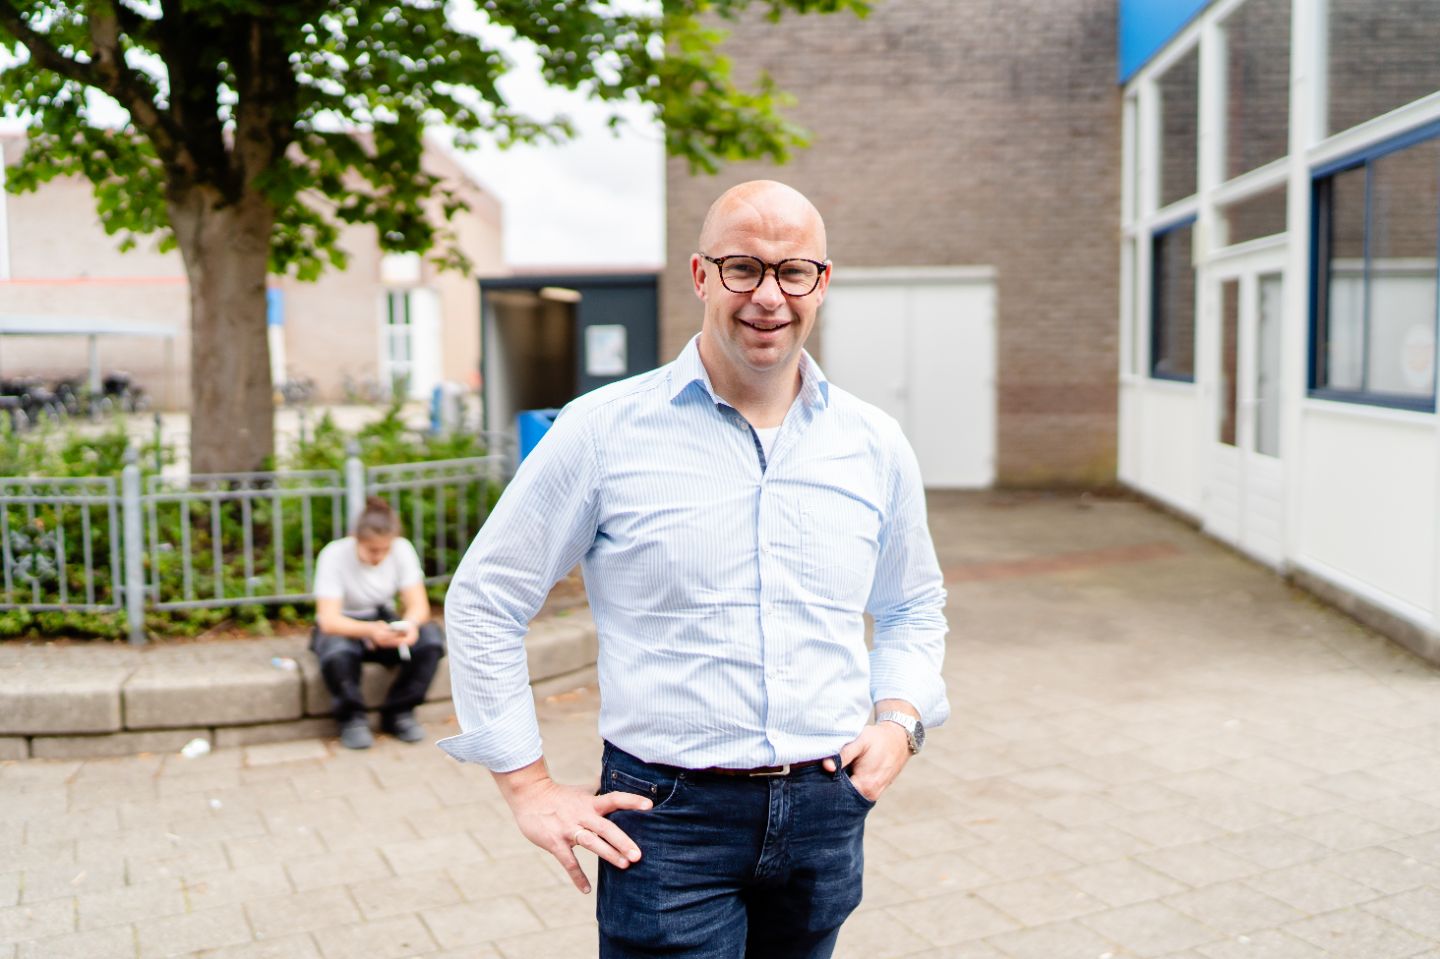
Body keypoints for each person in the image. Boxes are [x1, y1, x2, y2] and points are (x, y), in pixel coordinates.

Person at [440, 180, 949, 958]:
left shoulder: (874, 442)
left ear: (823, 282)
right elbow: (484, 598)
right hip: (667, 820)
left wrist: (901, 718)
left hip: (826, 808)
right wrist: (528, 784)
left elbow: (913, 601)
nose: (768, 296)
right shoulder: (604, 431)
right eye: (743, 267)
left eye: (793, 271)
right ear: (701, 274)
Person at [311, 496, 446, 749]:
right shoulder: (334, 554)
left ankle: (400, 713)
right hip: (347, 623)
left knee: (431, 642)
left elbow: (419, 606)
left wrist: (410, 626)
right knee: (337, 653)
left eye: (386, 549)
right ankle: (352, 719)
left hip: (384, 619)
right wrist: (369, 631)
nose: (380, 556)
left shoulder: (402, 548)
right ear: (356, 539)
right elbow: (329, 620)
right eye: (373, 550)